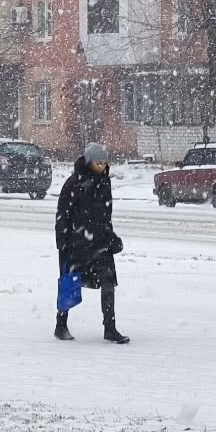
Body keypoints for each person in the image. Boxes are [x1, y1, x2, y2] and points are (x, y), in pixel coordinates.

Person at [54, 141, 128, 344]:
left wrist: (112, 239)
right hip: (77, 243)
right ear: (88, 162)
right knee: (69, 284)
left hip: (100, 243)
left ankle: (110, 328)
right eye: (98, 163)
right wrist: (63, 243)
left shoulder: (104, 182)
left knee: (108, 282)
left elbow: (105, 215)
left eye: (104, 163)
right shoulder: (73, 183)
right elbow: (63, 216)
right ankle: (61, 326)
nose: (102, 167)